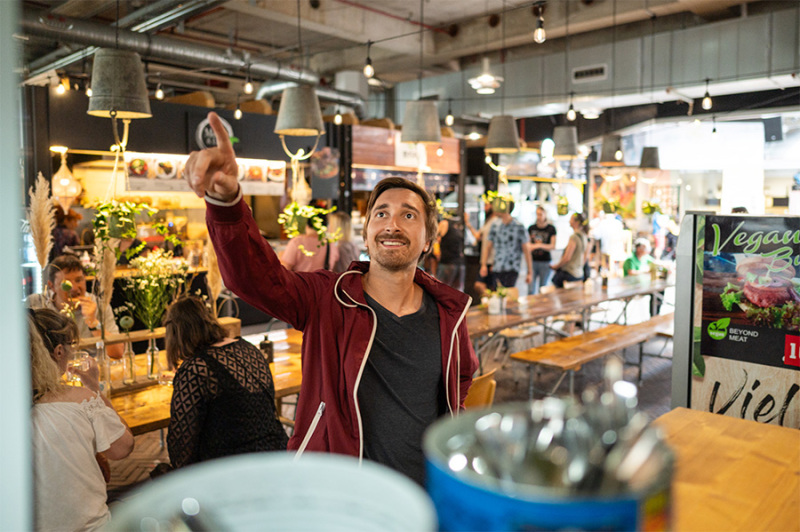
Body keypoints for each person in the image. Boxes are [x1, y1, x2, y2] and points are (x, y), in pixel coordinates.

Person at [184, 112, 478, 486]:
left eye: (409, 215)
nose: (392, 224)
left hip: (424, 489)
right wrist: (225, 202)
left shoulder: (447, 313)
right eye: (381, 213)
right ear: (367, 232)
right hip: (338, 488)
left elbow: (462, 376)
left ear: (428, 239)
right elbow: (252, 278)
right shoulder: (327, 297)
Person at [29, 307, 134, 531]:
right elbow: (123, 447)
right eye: (71, 347)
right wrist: (95, 389)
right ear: (59, 352)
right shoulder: (81, 400)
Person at [164, 296, 288, 469]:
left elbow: (181, 449)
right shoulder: (248, 348)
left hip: (233, 469)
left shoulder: (195, 369)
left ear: (176, 334)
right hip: (278, 455)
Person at [27, 254, 124, 359]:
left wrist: (93, 322)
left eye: (79, 280)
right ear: (52, 286)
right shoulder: (37, 304)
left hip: (89, 367)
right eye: (66, 283)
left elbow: (118, 353)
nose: (74, 288)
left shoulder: (99, 304)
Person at [479, 201, 533, 292]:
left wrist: (530, 272)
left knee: (508, 295)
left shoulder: (519, 226)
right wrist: (483, 265)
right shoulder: (495, 225)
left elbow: (526, 250)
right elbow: (488, 247)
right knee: (497, 294)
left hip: (512, 268)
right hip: (497, 267)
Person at [623, 237, 663, 315]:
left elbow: (655, 262)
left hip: (643, 285)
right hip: (631, 286)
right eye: (644, 248)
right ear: (638, 248)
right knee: (655, 292)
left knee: (659, 291)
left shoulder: (645, 257)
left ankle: (655, 315)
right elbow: (631, 272)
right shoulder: (630, 259)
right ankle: (654, 315)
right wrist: (645, 271)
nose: (647, 250)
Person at [466, 206, 498, 297]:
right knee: (480, 285)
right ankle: (489, 303)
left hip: (491, 261)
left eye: (487, 205)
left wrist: (494, 262)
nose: (485, 207)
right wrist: (467, 223)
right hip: (485, 260)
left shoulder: (497, 222)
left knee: (490, 286)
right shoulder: (488, 222)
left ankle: (491, 303)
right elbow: (478, 236)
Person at [550, 212, 588, 288]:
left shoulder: (574, 237)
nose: (569, 221)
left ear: (576, 222)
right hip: (579, 273)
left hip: (570, 273)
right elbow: (585, 256)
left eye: (571, 219)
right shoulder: (584, 235)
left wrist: (556, 266)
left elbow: (567, 258)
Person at [527, 205, 557, 294]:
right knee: (531, 288)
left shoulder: (551, 229)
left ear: (545, 214)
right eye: (537, 214)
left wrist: (539, 246)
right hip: (533, 261)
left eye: (540, 214)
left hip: (545, 262)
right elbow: (528, 245)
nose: (538, 217)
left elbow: (552, 246)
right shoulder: (531, 228)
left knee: (543, 288)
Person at [435, 214, 465, 291]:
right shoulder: (458, 227)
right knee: (458, 293)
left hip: (448, 263)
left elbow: (433, 237)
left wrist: (436, 251)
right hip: (460, 265)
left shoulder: (444, 223)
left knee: (440, 291)